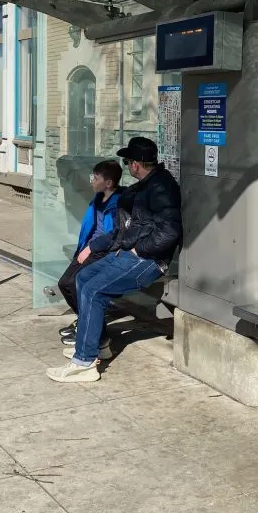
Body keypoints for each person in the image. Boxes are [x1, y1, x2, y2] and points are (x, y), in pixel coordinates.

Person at [46, 136, 182, 383]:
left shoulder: (161, 188)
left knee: (94, 291)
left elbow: (170, 232)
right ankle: (97, 346)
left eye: (128, 160)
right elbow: (123, 230)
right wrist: (94, 246)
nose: (127, 165)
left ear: (136, 164)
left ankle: (84, 362)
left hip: (147, 260)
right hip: (130, 251)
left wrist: (139, 250)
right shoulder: (143, 186)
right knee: (83, 277)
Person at [56, 159, 123, 357]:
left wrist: (91, 248)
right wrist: (83, 248)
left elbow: (113, 235)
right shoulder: (98, 198)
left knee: (77, 284)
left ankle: (98, 337)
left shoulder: (119, 203)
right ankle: (87, 324)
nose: (92, 181)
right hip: (87, 248)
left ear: (108, 183)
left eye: (95, 178)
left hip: (102, 251)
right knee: (65, 283)